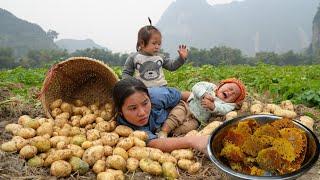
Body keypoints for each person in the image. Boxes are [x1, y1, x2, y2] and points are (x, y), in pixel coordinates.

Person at [113, 77, 208, 153]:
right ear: (120, 111)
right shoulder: (128, 129)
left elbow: (187, 96)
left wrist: (209, 102)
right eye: (133, 108)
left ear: (149, 98)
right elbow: (155, 143)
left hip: (182, 109)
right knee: (189, 126)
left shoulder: (157, 95)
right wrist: (193, 141)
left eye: (145, 103)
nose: (142, 113)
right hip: (174, 127)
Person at [159, 78, 246, 138]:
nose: (230, 92)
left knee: (187, 128)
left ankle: (172, 135)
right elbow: (196, 87)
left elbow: (224, 110)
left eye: (233, 94)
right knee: (176, 115)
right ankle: (163, 131)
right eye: (230, 88)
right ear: (221, 85)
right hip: (187, 106)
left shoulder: (227, 105)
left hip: (197, 120)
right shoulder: (210, 87)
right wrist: (204, 94)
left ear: (233, 101)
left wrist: (213, 106)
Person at [122, 23, 188, 87]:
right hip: (144, 91)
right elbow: (126, 73)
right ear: (142, 43)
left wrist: (181, 58)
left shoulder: (160, 57)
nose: (157, 46)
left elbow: (172, 66)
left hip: (161, 88)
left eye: (159, 44)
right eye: (154, 43)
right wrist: (132, 86)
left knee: (179, 94)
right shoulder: (134, 57)